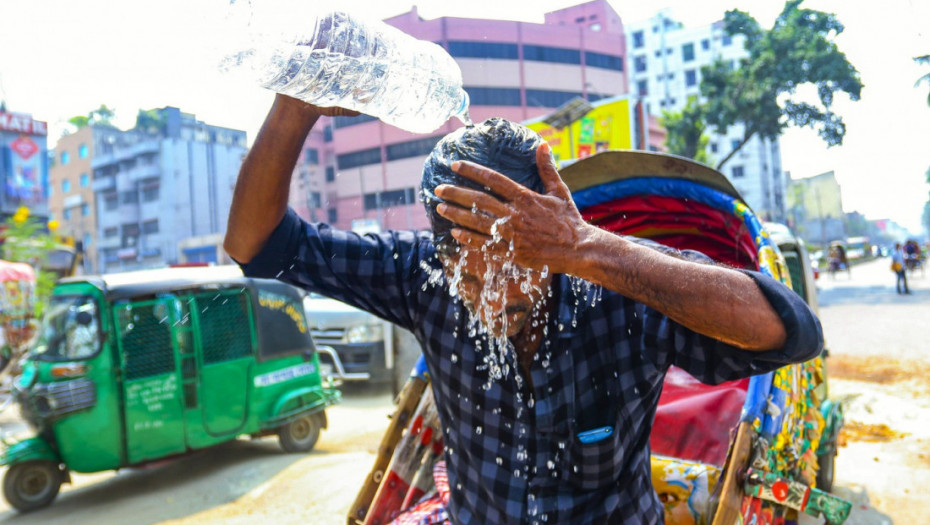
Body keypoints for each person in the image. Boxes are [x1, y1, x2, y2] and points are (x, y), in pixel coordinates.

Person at [224, 95, 823, 524]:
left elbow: (792, 334)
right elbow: (256, 245)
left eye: (518, 262)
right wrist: (294, 107)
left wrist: (586, 248)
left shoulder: (616, 282)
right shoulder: (421, 277)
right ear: (440, 254)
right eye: (472, 269)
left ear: (551, 231)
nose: (497, 292)